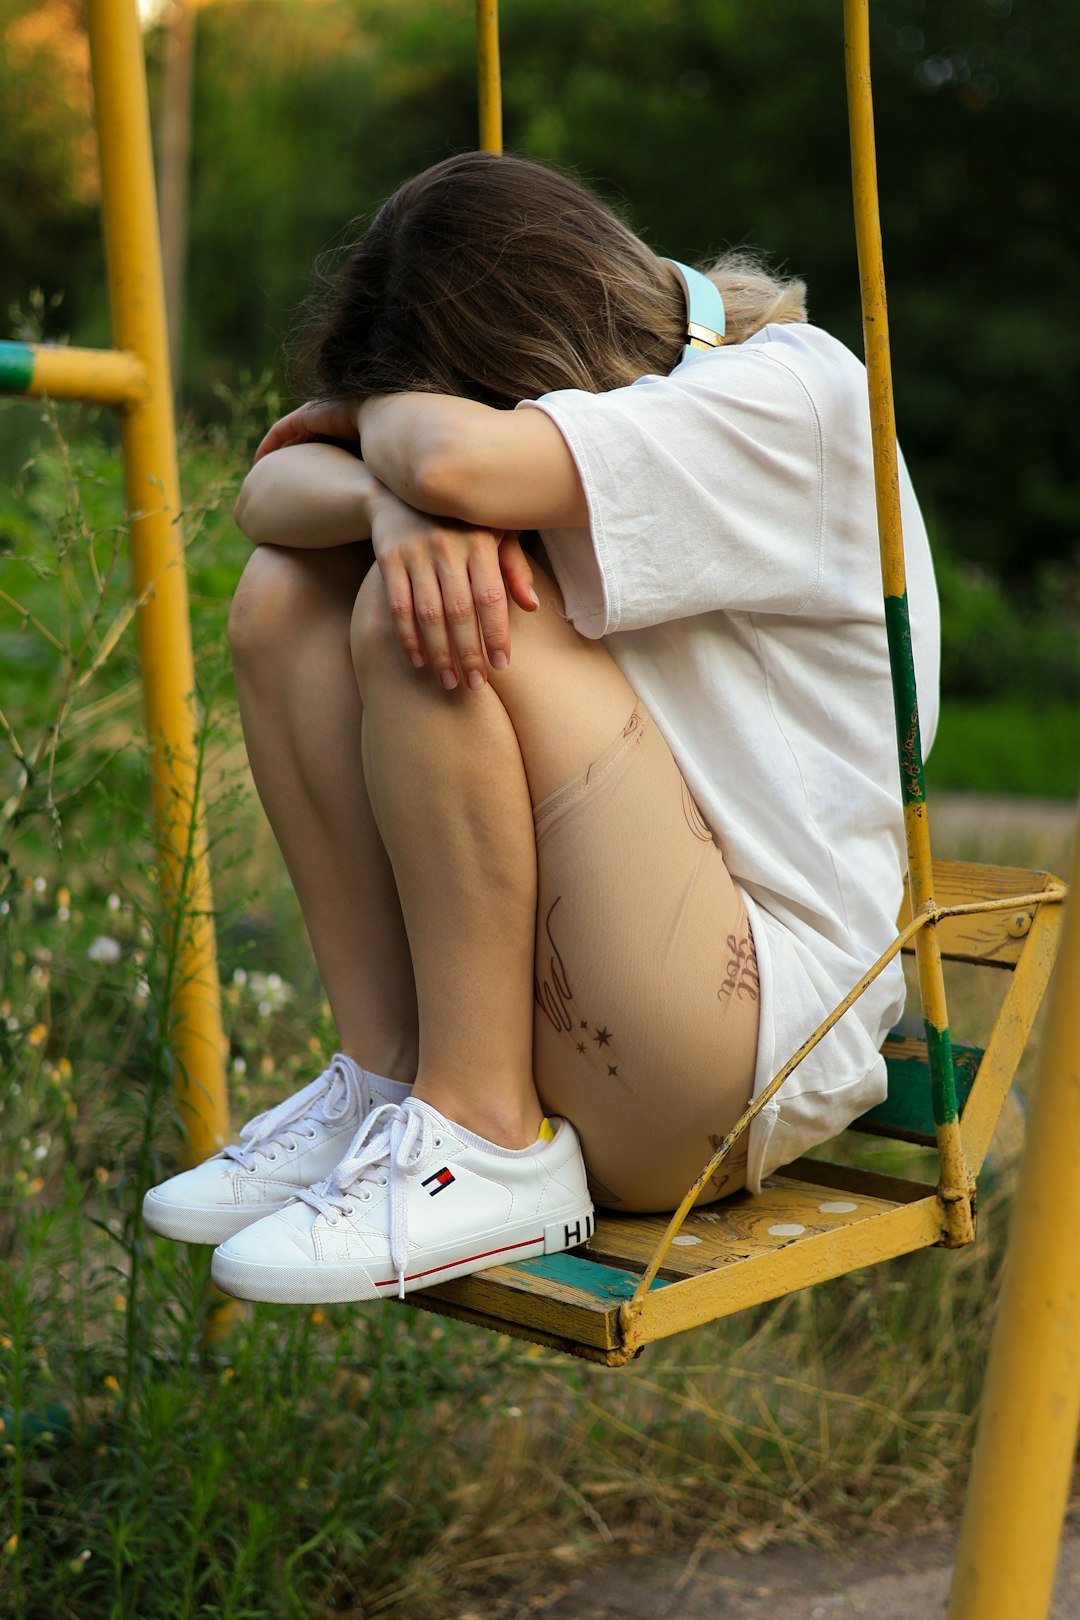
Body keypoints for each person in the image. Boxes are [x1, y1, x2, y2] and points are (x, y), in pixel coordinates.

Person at [143, 150, 939, 1306]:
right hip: (608, 1001)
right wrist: (383, 498)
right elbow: (268, 490)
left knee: (445, 618)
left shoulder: (794, 395)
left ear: (525, 362)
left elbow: (451, 459)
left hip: (740, 1049)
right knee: (285, 592)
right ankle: (392, 1084)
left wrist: (406, 469)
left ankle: (490, 1137)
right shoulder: (575, 432)